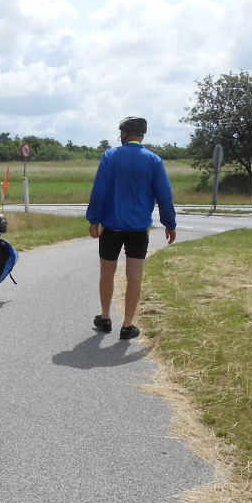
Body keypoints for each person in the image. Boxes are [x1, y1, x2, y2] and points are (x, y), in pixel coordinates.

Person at [85, 116, 177, 340]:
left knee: (107, 272)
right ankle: (127, 325)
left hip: (111, 226)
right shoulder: (153, 160)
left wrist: (93, 219)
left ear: (124, 134)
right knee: (134, 275)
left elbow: (99, 191)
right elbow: (164, 196)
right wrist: (169, 223)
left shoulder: (110, 156)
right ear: (142, 134)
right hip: (138, 229)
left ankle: (105, 317)